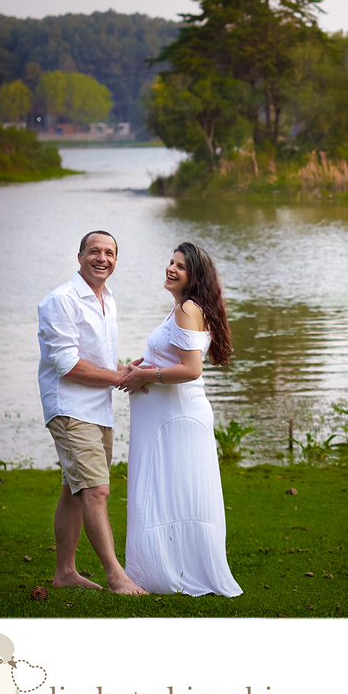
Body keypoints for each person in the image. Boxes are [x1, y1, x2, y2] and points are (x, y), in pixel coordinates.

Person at [117, 242, 243, 598]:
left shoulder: (188, 309)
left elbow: (191, 369)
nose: (171, 269)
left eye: (180, 267)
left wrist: (148, 376)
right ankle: (162, 567)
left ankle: (175, 571)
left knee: (171, 493)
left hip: (177, 417)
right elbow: (167, 356)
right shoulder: (179, 309)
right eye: (170, 262)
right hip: (163, 418)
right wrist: (139, 367)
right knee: (163, 491)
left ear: (194, 277)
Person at [37, 230, 146, 595]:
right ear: (79, 255)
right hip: (70, 408)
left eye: (110, 253)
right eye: (95, 251)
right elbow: (67, 365)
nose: (103, 258)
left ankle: (65, 573)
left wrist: (126, 369)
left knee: (75, 489)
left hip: (99, 409)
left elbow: (95, 357)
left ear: (116, 260)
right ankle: (116, 576)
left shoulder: (108, 299)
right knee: (96, 490)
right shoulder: (61, 300)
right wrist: (118, 377)